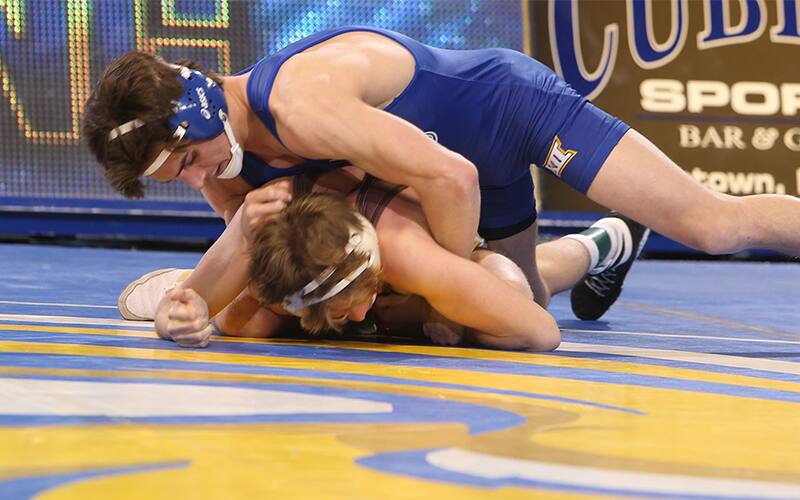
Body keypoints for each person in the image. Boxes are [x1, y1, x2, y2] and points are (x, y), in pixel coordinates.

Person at [84, 26, 800, 324]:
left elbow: (453, 179)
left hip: (510, 113)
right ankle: (610, 242)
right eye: (172, 173)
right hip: (444, 176)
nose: (188, 178)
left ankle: (612, 236)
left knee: (713, 225)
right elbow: (273, 270)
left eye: (180, 160)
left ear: (199, 111)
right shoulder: (223, 165)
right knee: (519, 305)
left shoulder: (300, 104)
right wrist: (189, 306)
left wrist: (452, 297)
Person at [152, 167, 646, 350]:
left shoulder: (404, 248)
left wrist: (442, 306)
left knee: (514, 290)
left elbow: (540, 331)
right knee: (250, 322)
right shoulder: (274, 241)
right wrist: (187, 313)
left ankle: (608, 239)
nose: (363, 314)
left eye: (359, 297)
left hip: (440, 249)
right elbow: (224, 316)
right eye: (348, 310)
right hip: (314, 253)